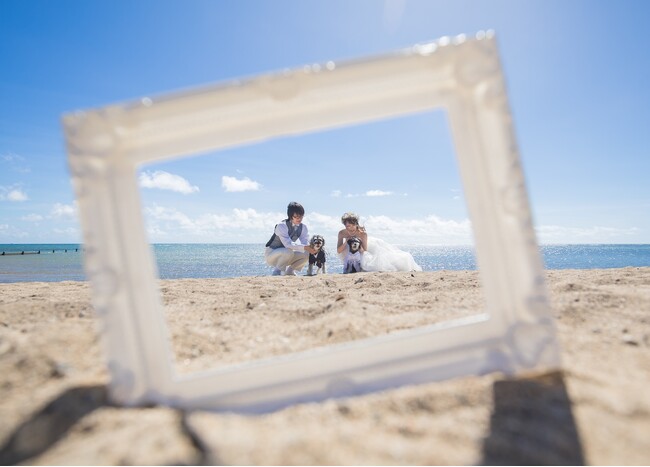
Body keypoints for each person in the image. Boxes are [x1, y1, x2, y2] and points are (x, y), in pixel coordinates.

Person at [337, 212, 422, 273]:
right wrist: (346, 242)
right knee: (347, 248)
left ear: (356, 224)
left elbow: (364, 251)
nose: (351, 228)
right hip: (349, 250)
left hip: (362, 249)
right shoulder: (342, 233)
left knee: (374, 264)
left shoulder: (362, 234)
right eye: (348, 226)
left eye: (353, 225)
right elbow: (339, 251)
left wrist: (357, 244)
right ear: (345, 226)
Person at [265, 202, 317, 276]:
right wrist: (305, 247)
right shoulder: (281, 226)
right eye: (296, 217)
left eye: (301, 216)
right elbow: (288, 244)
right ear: (290, 216)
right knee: (288, 251)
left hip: (287, 254)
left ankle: (290, 271)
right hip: (272, 254)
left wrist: (312, 248)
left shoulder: (303, 227)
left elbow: (306, 242)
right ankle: (277, 271)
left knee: (307, 253)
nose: (299, 219)